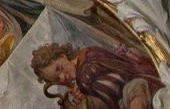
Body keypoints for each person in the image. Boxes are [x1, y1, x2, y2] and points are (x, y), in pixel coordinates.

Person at [29, 42, 162, 109]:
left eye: (59, 69)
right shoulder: (87, 56)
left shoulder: (86, 69)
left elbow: (115, 88)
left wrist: (85, 92)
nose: (63, 78)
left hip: (140, 84)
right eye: (57, 79)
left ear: (63, 56)